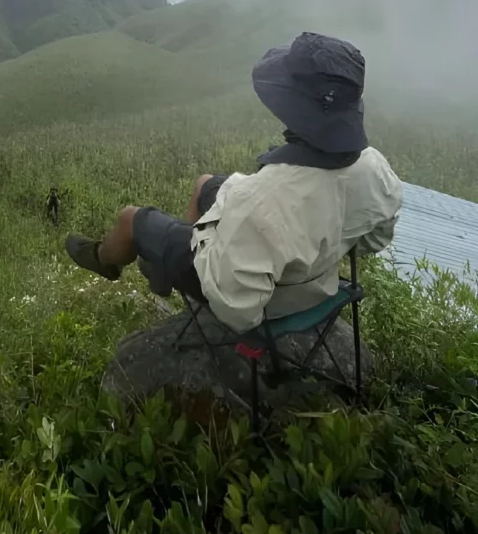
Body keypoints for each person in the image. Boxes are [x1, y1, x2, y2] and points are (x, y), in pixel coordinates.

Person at [65, 32, 403, 334]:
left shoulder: (257, 200)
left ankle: (106, 258)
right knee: (205, 184)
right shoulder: (375, 168)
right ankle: (165, 266)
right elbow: (374, 241)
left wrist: (211, 246)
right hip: (318, 282)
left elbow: (237, 310)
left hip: (267, 299)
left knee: (130, 219)